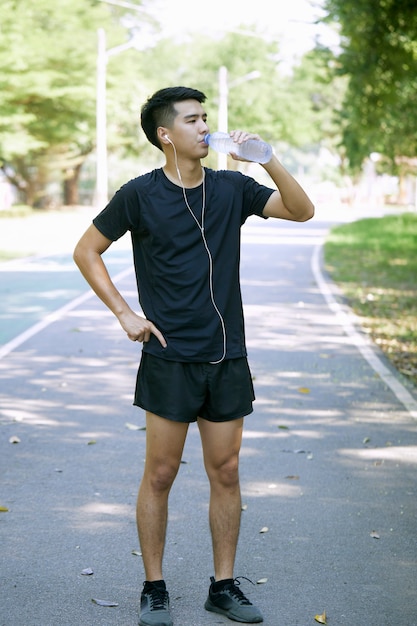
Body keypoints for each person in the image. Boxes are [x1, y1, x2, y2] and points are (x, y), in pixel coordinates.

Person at [73, 86, 314, 626]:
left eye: (206, 118)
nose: (205, 127)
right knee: (160, 474)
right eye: (192, 120)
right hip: (169, 356)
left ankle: (223, 586)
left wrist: (268, 158)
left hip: (227, 356)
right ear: (166, 134)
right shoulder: (138, 194)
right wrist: (124, 313)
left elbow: (302, 210)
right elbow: (86, 250)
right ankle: (154, 588)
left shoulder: (233, 188)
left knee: (225, 471)